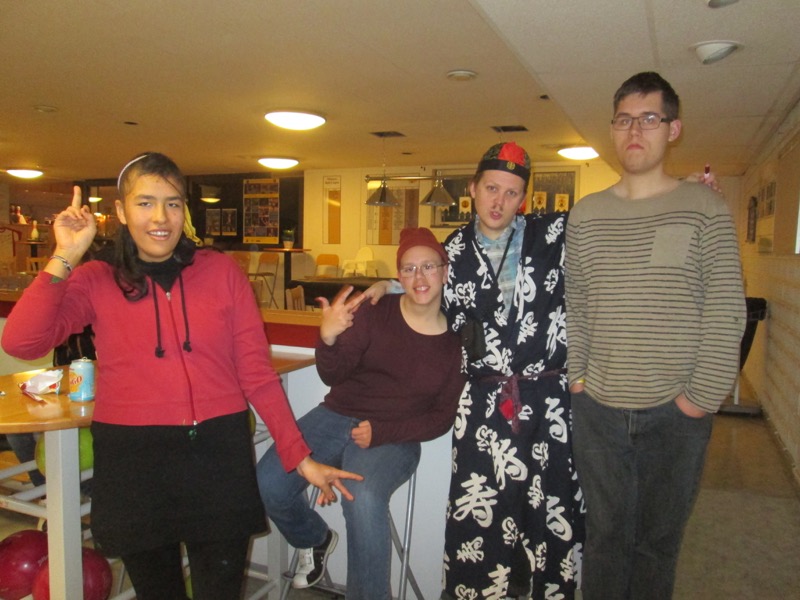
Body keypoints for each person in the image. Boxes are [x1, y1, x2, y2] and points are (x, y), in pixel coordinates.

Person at [1, 152, 360, 600]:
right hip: (135, 464)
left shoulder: (221, 272)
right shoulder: (97, 279)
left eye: (172, 203)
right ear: (120, 211)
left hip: (217, 457)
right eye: (145, 203)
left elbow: (256, 373)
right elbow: (22, 341)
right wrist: (65, 255)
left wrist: (300, 457)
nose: (161, 217)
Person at [367, 142, 585, 599]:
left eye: (511, 192)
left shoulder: (555, 234)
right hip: (484, 406)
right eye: (491, 188)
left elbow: (619, 228)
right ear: (472, 188)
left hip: (549, 404)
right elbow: (423, 284)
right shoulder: (452, 252)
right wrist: (388, 285)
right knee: (478, 524)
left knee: (551, 520)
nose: (499, 201)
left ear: (524, 198)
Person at [565, 71, 746, 600]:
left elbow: (726, 310)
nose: (634, 130)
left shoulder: (705, 209)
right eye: (623, 120)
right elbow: (577, 306)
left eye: (649, 118)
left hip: (675, 416)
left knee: (656, 547)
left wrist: (697, 400)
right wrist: (578, 380)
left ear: (673, 129)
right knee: (604, 541)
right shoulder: (587, 215)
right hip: (598, 413)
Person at [257, 227, 465, 600]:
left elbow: (441, 417)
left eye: (429, 266)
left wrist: (382, 431)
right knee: (269, 481)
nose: (419, 277)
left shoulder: (456, 343)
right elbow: (332, 374)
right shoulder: (375, 311)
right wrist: (328, 337)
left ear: (445, 271)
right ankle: (315, 538)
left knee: (362, 496)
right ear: (398, 276)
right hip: (335, 415)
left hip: (395, 437)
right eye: (409, 268)